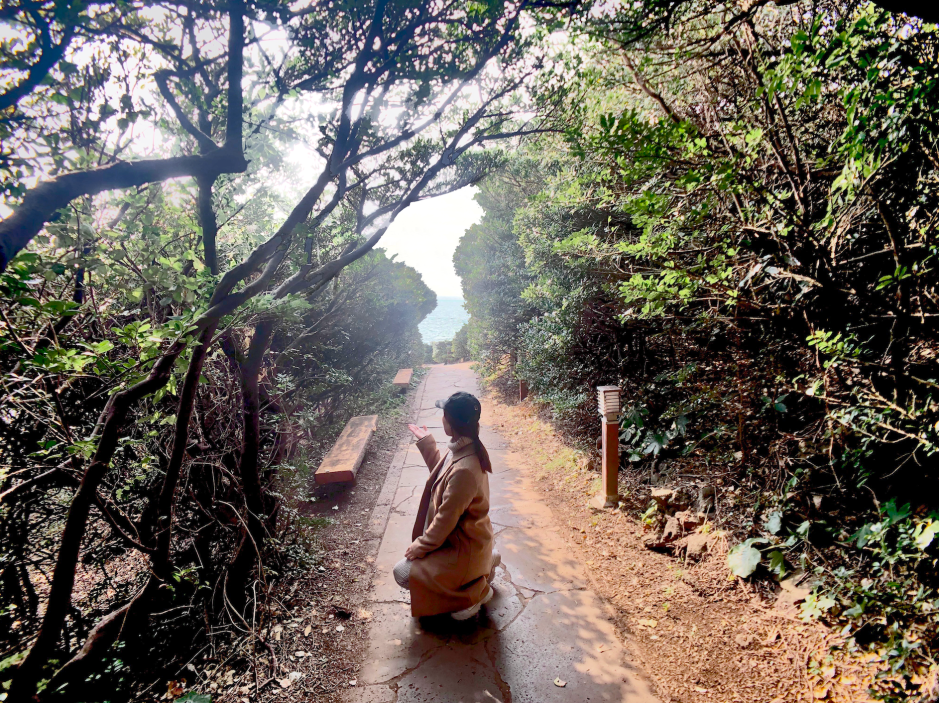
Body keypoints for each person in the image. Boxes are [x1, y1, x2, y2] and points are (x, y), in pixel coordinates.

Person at [394, 391, 500, 620]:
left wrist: (421, 546)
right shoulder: (466, 448)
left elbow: (445, 519)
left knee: (402, 573)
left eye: (444, 415)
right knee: (412, 568)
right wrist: (426, 442)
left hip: (461, 548)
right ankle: (485, 562)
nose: (441, 418)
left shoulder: (465, 468)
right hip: (468, 541)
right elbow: (443, 476)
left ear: (450, 423)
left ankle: (476, 591)